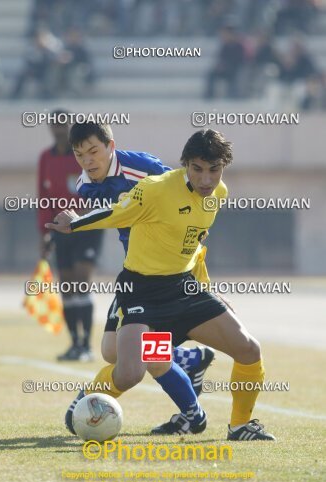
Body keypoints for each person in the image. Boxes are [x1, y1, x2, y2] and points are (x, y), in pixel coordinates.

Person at [47, 129, 275, 440]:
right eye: (197, 169)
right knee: (127, 370)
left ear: (223, 168)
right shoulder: (155, 188)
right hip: (141, 288)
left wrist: (207, 289)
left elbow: (192, 243)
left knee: (249, 349)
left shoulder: (218, 193)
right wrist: (74, 223)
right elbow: (118, 212)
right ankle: (97, 398)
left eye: (214, 170)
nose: (206, 179)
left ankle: (239, 426)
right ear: (184, 165)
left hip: (183, 286)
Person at [63, 122, 216, 435]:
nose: (88, 160)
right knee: (112, 351)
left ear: (110, 146)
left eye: (93, 151)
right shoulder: (85, 185)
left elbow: (185, 187)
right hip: (137, 270)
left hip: (166, 271)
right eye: (80, 155)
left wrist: (194, 237)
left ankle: (192, 414)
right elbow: (119, 216)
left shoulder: (142, 167)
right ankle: (189, 357)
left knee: (147, 355)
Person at [38, 111, 103, 361]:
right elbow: (43, 198)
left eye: (62, 125)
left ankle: (87, 345)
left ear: (69, 127)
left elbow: (99, 188)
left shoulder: (83, 155)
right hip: (59, 228)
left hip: (87, 227)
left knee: (81, 280)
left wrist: (87, 215)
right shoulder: (46, 157)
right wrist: (44, 233)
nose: (57, 130)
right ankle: (74, 344)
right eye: (53, 125)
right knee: (66, 285)